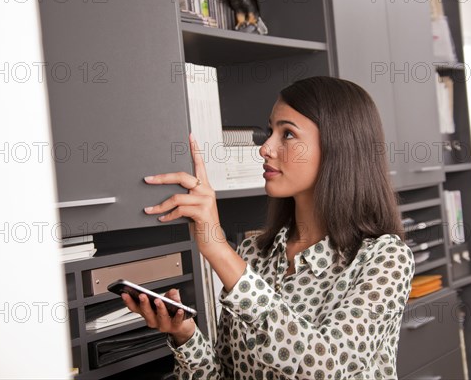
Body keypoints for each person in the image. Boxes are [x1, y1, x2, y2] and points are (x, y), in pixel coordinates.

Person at [122, 76, 415, 379]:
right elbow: (226, 375)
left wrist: (219, 250)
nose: (265, 148)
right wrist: (186, 336)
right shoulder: (254, 254)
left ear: (337, 147)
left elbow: (328, 368)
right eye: (270, 131)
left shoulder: (385, 258)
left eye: (287, 134)